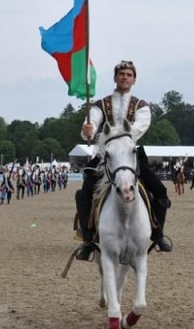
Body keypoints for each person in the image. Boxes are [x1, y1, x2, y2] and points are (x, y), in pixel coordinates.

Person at [74, 60, 173, 261]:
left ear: (134, 79)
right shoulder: (100, 105)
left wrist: (114, 136)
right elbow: (91, 124)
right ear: (115, 78)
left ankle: (158, 234)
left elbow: (137, 129)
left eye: (129, 74)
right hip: (106, 156)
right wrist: (87, 130)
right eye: (121, 74)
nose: (125, 77)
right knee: (84, 194)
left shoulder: (142, 106)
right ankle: (88, 240)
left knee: (160, 190)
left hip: (130, 155)